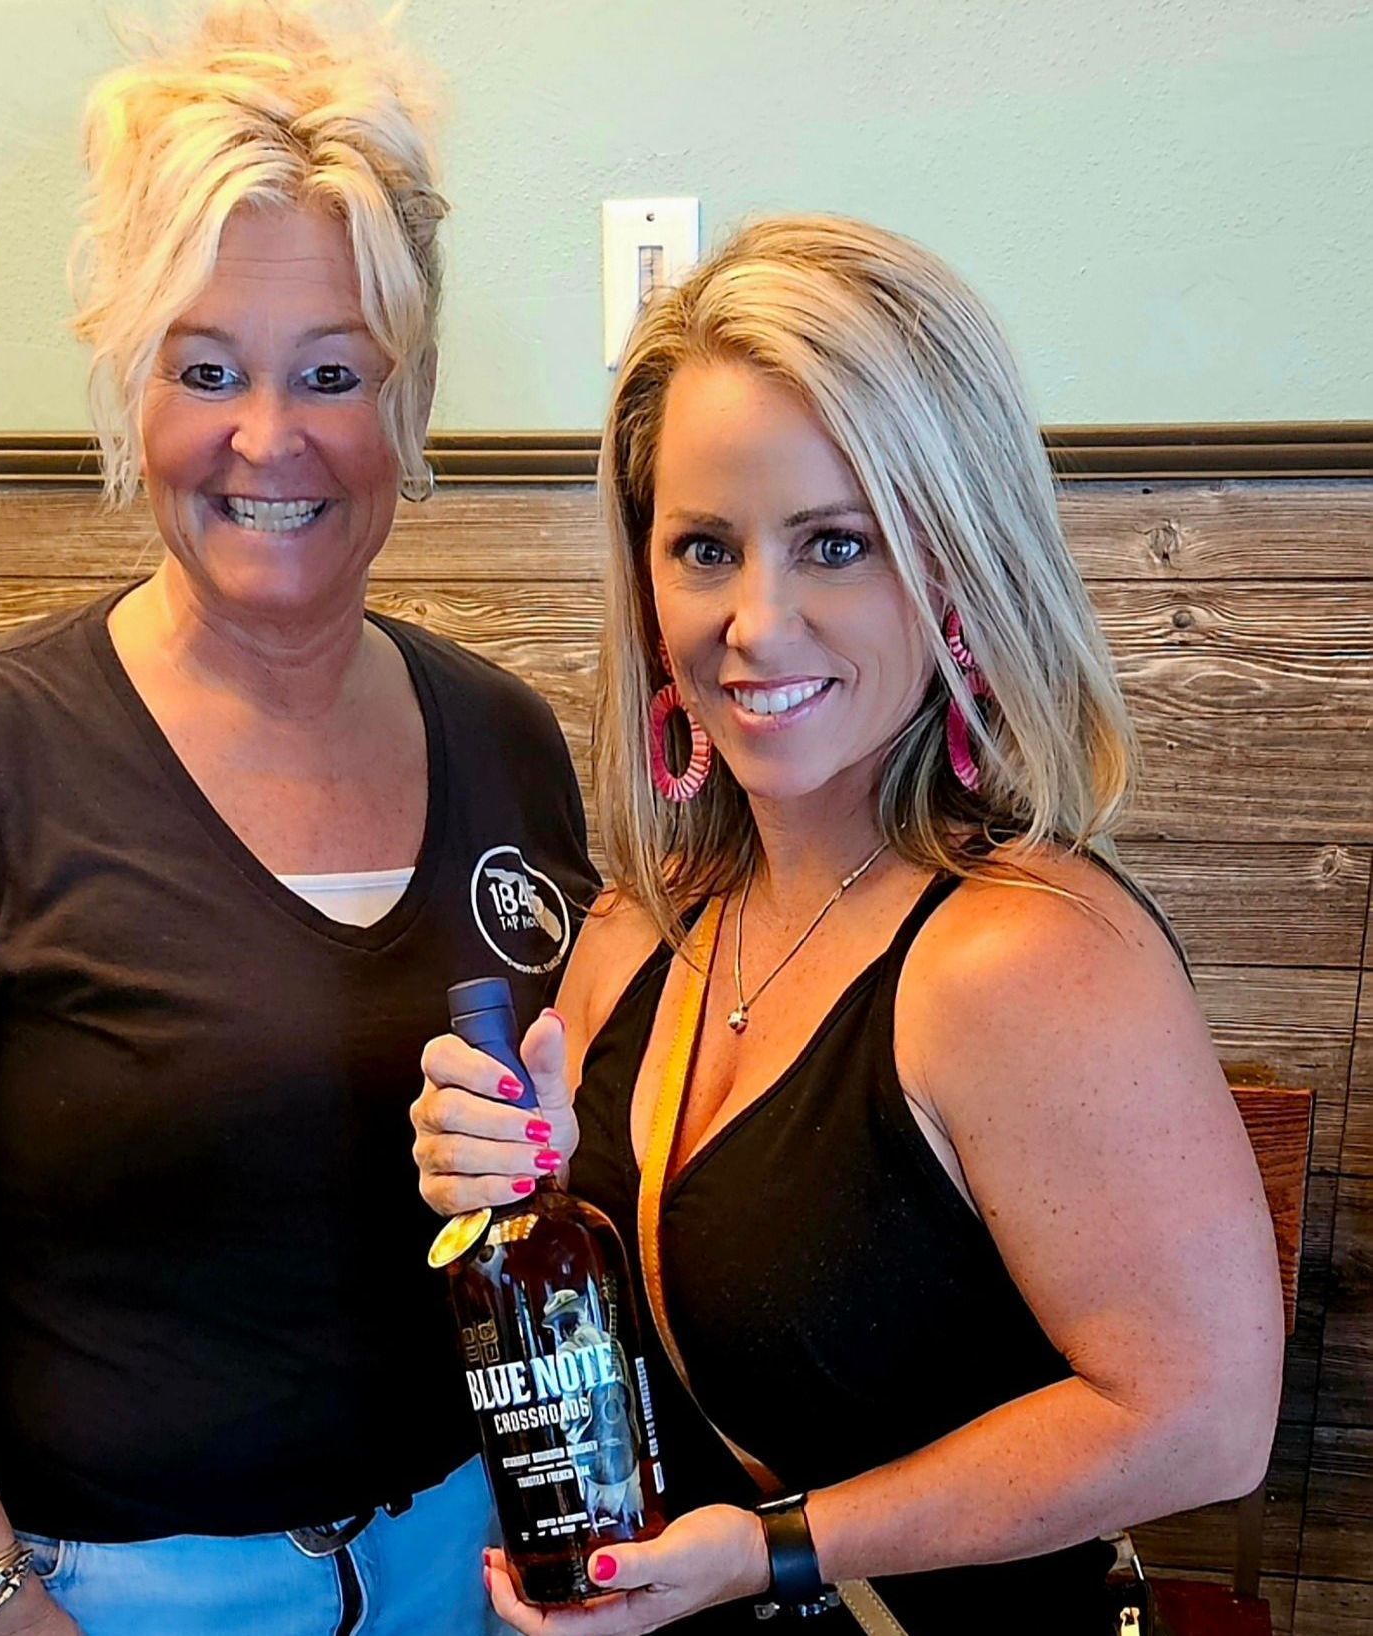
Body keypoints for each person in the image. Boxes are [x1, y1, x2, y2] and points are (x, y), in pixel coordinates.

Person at [0, 5, 595, 1635]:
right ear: (128, 387)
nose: (267, 437)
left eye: (332, 374)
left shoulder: (505, 737)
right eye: (205, 369)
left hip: (461, 1562)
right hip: (100, 1590)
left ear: (408, 395)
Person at [411, 215, 1284, 1634]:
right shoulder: (638, 931)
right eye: (704, 546)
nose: (755, 622)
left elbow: (1198, 1422)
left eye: (835, 543)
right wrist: (508, 1192)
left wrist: (778, 1548)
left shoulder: (1027, 953)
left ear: (955, 565)